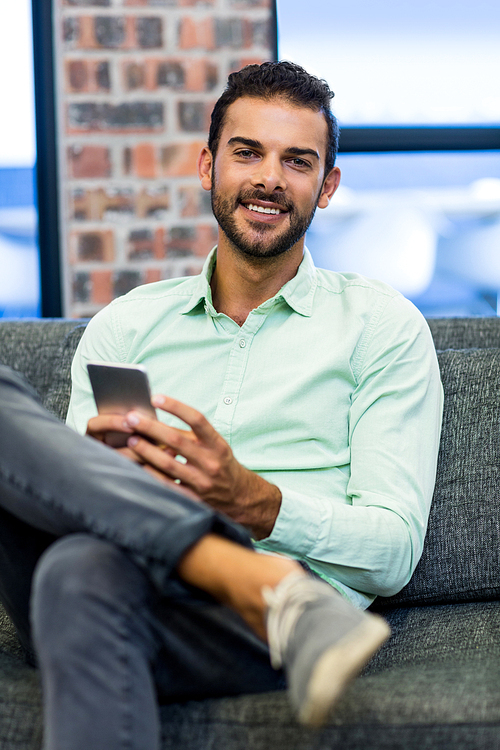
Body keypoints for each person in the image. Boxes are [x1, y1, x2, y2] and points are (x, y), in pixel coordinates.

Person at [0, 61, 443, 750]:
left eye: (297, 161)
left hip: (225, 628)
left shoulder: (381, 328)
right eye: (248, 152)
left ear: (326, 187)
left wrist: (254, 502)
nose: (269, 177)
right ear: (208, 166)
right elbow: (60, 506)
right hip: (132, 567)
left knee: (78, 573)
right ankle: (266, 588)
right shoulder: (127, 325)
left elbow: (392, 551)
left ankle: (277, 596)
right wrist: (108, 479)